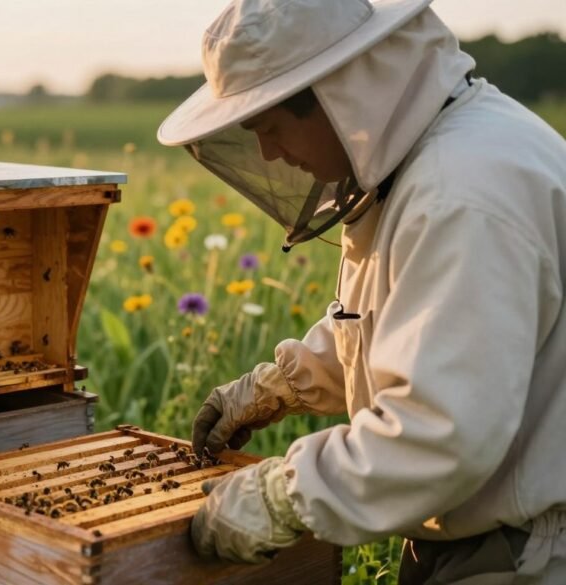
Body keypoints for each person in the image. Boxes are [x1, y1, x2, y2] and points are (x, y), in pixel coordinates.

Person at [156, 0, 566, 582]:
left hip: (529, 553)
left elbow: (439, 434)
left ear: (338, 96)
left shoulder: (461, 193)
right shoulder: (442, 153)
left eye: (270, 128)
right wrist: (288, 381)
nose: (270, 154)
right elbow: (414, 320)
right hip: (492, 535)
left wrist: (283, 496)